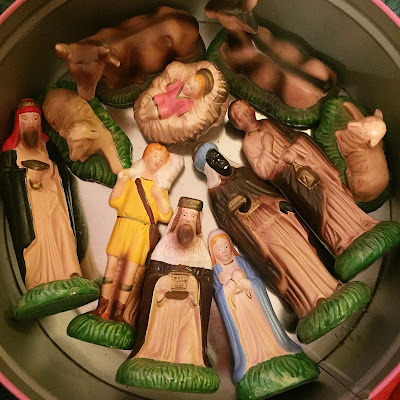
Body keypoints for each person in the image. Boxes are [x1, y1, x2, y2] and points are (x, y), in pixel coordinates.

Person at [193, 142, 339, 320]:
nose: (219, 160)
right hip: (261, 234)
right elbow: (227, 221)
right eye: (213, 160)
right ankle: (310, 300)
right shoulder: (216, 193)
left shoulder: (243, 173)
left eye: (218, 155)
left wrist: (280, 203)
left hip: (278, 219)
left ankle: (329, 285)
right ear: (209, 168)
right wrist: (239, 211)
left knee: (304, 249)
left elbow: (267, 190)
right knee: (287, 263)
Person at [228, 99, 379, 256]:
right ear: (237, 124)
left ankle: (361, 223)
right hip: (290, 180)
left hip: (306, 163)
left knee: (332, 191)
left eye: (246, 109)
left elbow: (296, 137)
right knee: (318, 206)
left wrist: (293, 151)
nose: (245, 114)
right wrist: (267, 148)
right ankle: (340, 239)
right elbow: (262, 171)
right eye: (240, 115)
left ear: (252, 109)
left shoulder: (269, 123)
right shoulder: (249, 143)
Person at [117, 197, 219, 393]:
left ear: (198, 222)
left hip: (187, 314)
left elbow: (207, 284)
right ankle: (150, 354)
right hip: (162, 314)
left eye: (193, 217)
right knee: (156, 340)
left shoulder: (200, 252)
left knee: (187, 345)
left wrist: (196, 285)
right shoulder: (164, 248)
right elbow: (150, 279)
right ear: (177, 218)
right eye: (185, 216)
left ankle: (189, 359)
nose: (188, 221)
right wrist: (161, 282)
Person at [208, 229, 319, 397]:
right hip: (239, 314)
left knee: (266, 333)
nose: (223, 251)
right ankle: (251, 362)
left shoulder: (241, 261)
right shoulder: (217, 271)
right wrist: (233, 283)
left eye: (226, 246)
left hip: (256, 306)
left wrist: (243, 281)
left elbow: (257, 283)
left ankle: (278, 351)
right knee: (248, 338)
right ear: (213, 252)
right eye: (218, 249)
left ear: (231, 246)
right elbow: (221, 296)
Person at [90, 143, 183, 323]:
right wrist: (121, 181)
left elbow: (166, 216)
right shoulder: (132, 181)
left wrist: (158, 195)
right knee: (111, 268)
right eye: (155, 156)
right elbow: (115, 201)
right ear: (145, 156)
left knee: (129, 273)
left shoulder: (159, 188)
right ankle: (102, 306)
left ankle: (120, 311)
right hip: (123, 226)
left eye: (162, 159)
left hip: (141, 232)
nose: (157, 161)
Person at [0, 99, 82, 289]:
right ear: (18, 122)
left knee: (63, 230)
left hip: (52, 198)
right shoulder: (11, 150)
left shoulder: (47, 147)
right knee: (38, 239)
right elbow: (6, 179)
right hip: (30, 205)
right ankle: (39, 280)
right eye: (26, 119)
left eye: (35, 119)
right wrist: (26, 176)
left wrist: (51, 170)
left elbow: (63, 175)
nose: (31, 124)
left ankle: (69, 272)